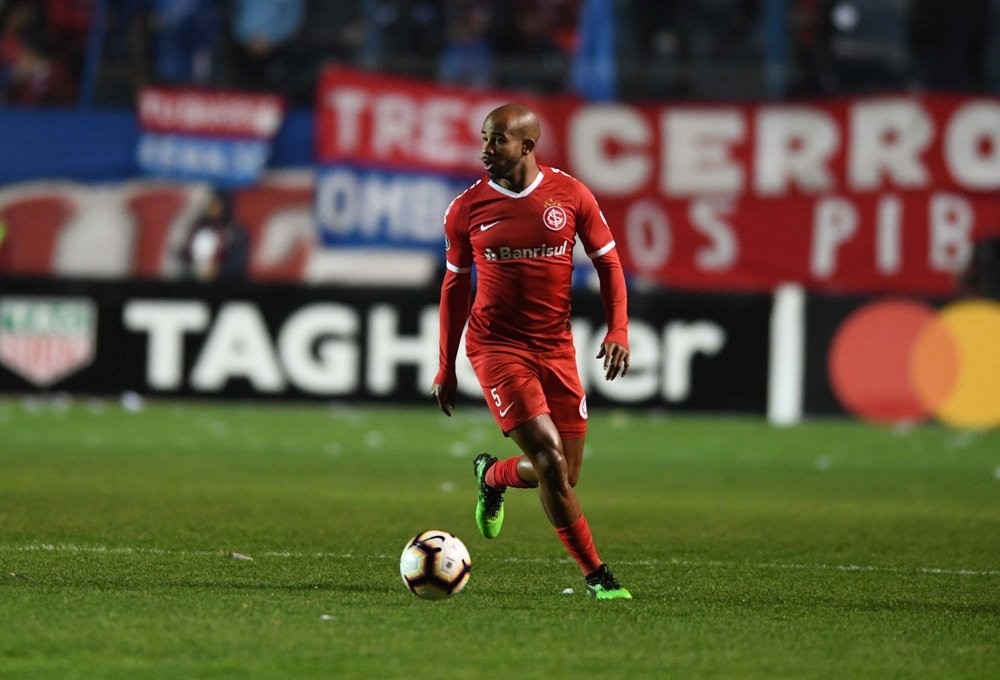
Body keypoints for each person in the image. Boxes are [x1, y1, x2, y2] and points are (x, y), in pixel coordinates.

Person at [432, 103, 632, 600]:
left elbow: (609, 263)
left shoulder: (571, 195)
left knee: (566, 472)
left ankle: (492, 474)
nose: (485, 149)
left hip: (556, 346)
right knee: (548, 460)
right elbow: (454, 287)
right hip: (497, 346)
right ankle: (597, 576)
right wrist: (446, 365)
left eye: (496, 140)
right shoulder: (466, 209)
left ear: (526, 146)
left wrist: (619, 331)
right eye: (483, 138)